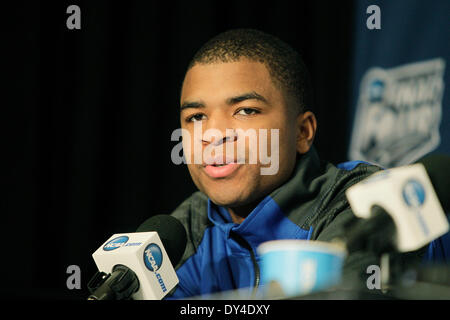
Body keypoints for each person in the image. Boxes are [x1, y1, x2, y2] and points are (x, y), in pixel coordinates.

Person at [164, 29, 421, 299]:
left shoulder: (361, 204)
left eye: (246, 111)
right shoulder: (187, 228)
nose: (213, 134)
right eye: (195, 117)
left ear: (302, 132)